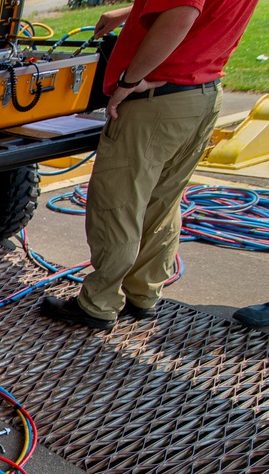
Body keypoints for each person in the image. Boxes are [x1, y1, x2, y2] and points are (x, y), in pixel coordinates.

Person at [41, 0, 258, 330]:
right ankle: (143, 294)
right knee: (162, 202)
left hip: (157, 96)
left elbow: (182, 13)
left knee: (119, 203)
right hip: (202, 91)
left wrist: (129, 81)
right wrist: (130, 12)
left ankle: (98, 303)